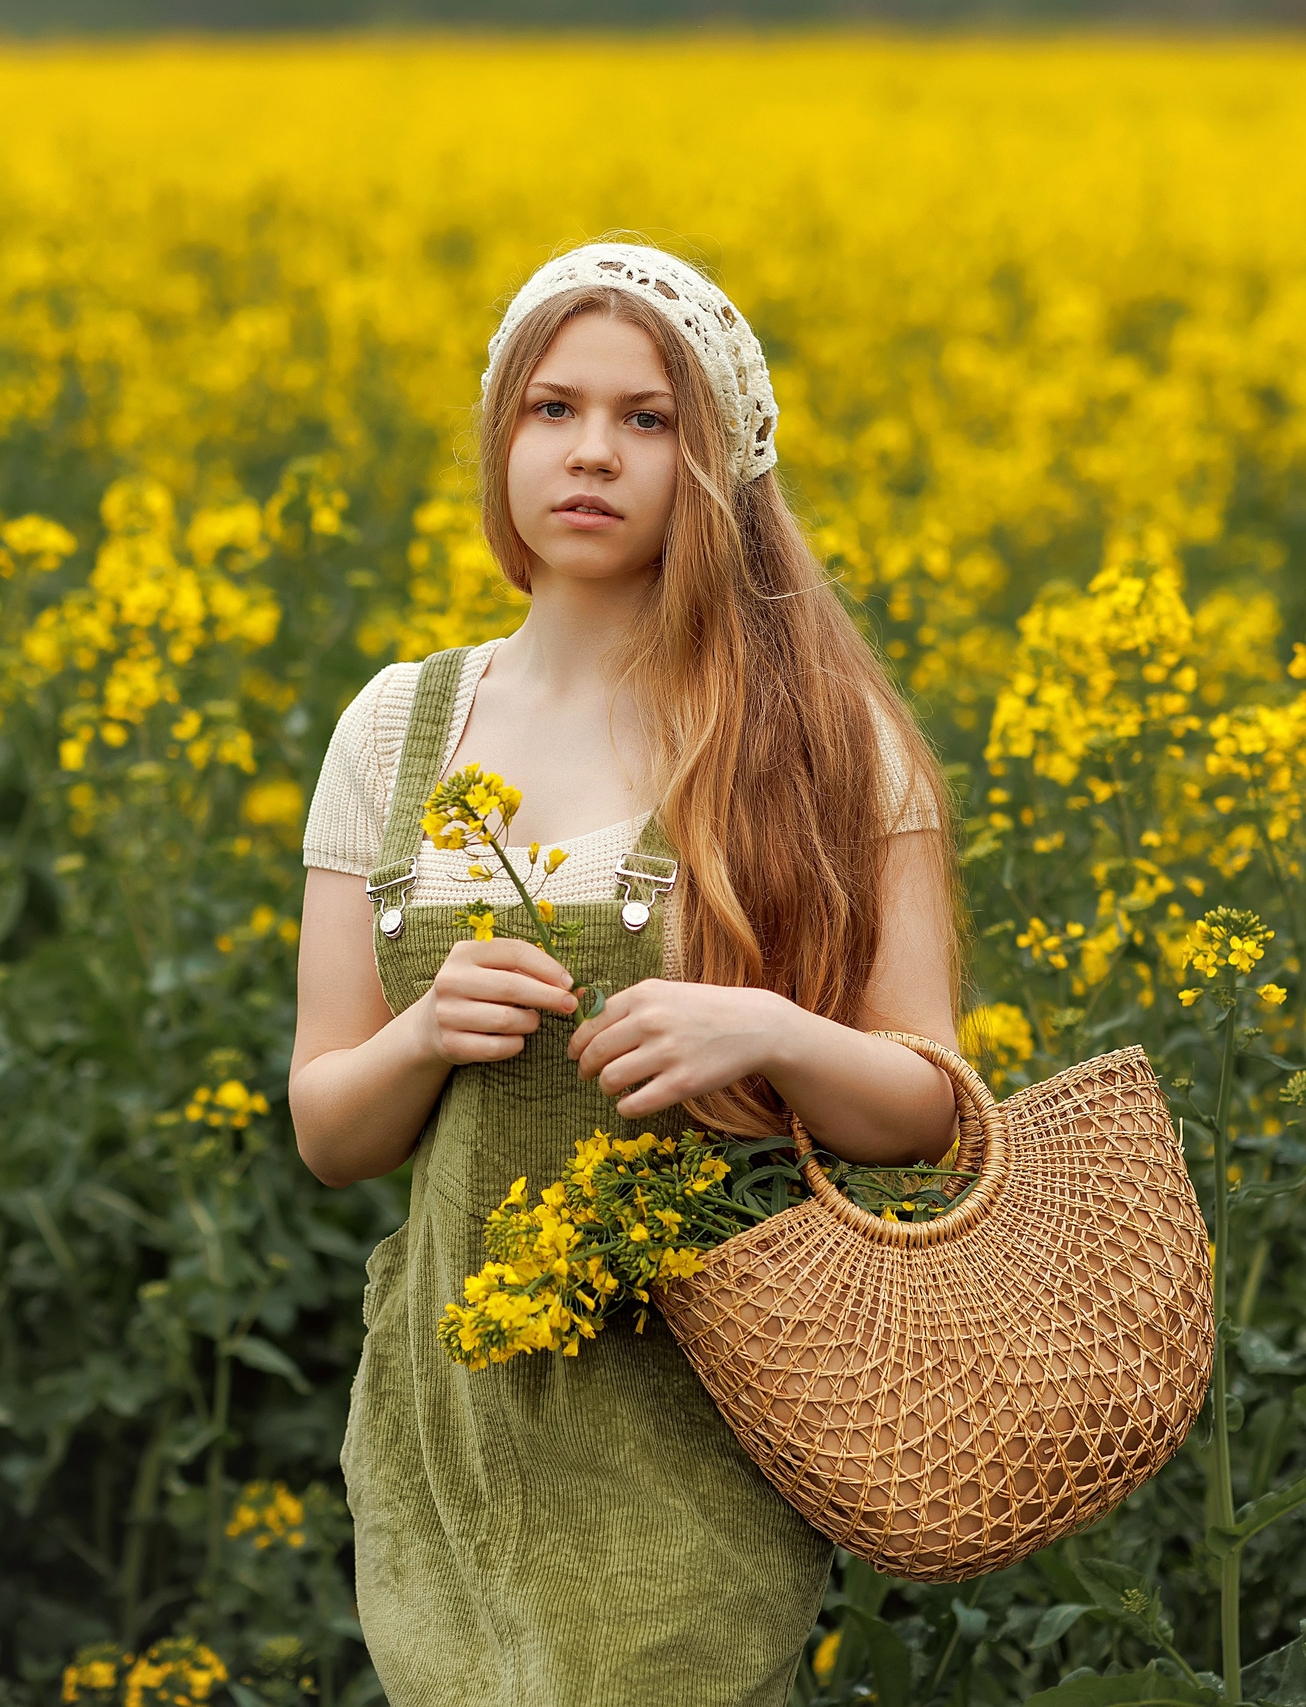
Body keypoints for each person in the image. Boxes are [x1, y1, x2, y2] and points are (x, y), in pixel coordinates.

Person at [289, 241, 960, 1707]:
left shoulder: (827, 739)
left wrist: (766, 1028)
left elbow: (930, 1106)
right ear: (500, 442)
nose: (592, 453)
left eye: (648, 420)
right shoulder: (395, 731)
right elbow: (329, 1132)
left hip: (705, 1417)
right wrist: (419, 1043)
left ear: (717, 463)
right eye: (552, 409)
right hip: (456, 1414)